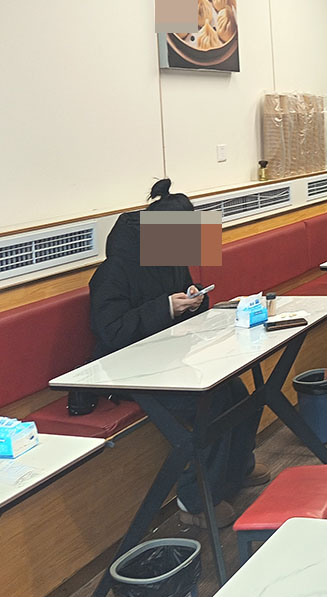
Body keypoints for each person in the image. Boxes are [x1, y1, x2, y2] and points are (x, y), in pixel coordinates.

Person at [87, 178, 269, 527]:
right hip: (128, 370)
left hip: (170, 357)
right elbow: (110, 331)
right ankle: (194, 501)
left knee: (238, 392)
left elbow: (182, 304)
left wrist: (196, 299)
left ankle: (237, 469)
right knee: (213, 404)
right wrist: (166, 308)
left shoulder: (168, 258)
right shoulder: (113, 271)